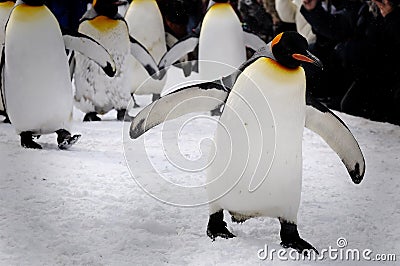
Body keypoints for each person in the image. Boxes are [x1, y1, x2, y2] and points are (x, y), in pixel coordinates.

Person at [340, 0, 400, 124]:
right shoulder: (367, 9)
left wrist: (391, 17)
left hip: (392, 77)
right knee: (350, 105)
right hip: (374, 73)